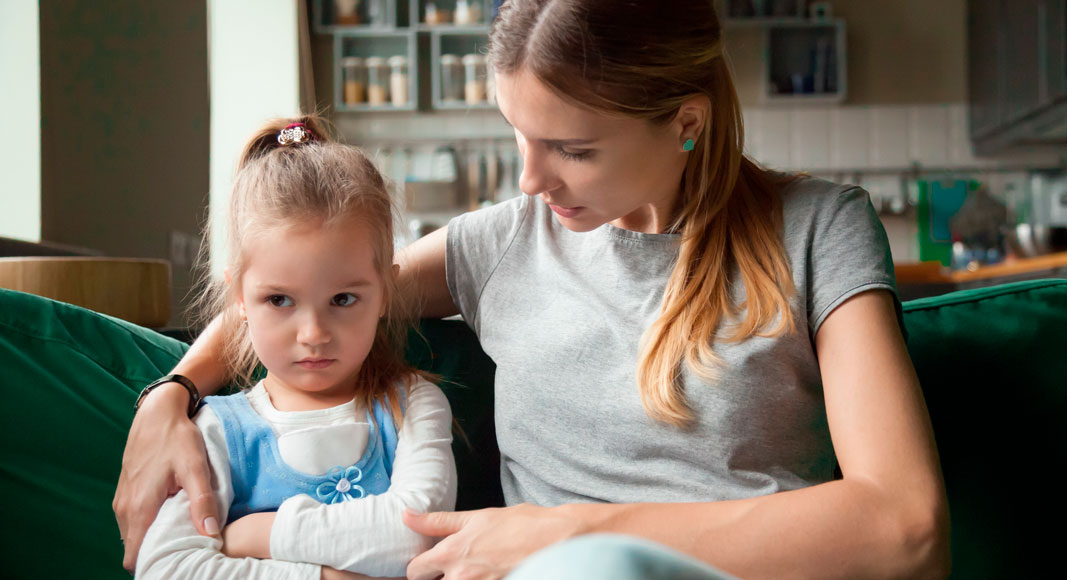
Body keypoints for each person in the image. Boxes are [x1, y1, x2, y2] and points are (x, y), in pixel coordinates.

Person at [116, 1, 951, 578]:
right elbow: (306, 296)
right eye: (518, 135)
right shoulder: (501, 243)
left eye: (572, 148)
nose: (530, 178)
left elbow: (905, 529)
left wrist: (566, 532)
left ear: (685, 123)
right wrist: (171, 396)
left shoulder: (817, 229)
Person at [132, 117, 456, 580]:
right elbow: (165, 567)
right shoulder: (219, 431)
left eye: (343, 299)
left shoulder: (414, 405)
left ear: (385, 292)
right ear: (239, 299)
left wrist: (255, 536)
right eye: (279, 300)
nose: (314, 334)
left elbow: (418, 534)